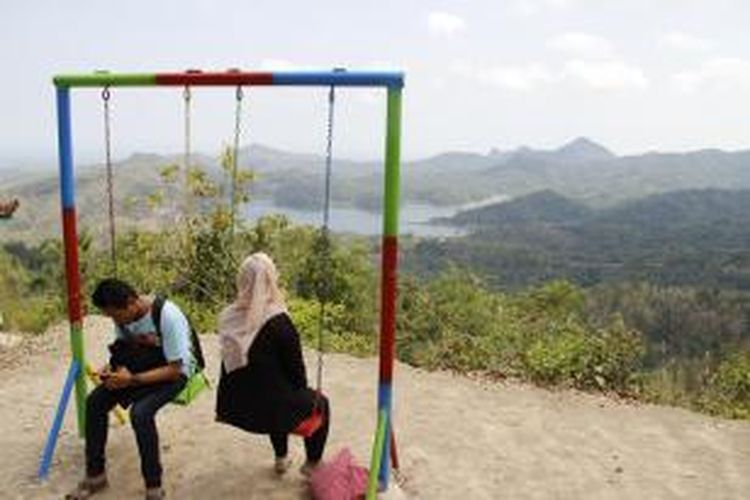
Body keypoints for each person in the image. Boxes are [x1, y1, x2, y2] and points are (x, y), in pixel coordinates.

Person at [66, 279, 196, 500]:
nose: (115, 321)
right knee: (95, 402)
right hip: (142, 367)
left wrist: (131, 379)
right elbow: (123, 349)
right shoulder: (123, 317)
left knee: (141, 413)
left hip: (174, 373)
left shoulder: (167, 316)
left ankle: (153, 486)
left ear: (131, 302)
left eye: (116, 315)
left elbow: (175, 369)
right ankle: (95, 475)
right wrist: (112, 370)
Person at [215, 252, 330, 476]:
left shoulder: (228, 317)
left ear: (242, 280)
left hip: (235, 406)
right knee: (321, 403)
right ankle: (313, 464)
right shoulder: (279, 323)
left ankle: (281, 458)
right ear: (271, 280)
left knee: (273, 389)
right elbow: (298, 376)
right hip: (267, 410)